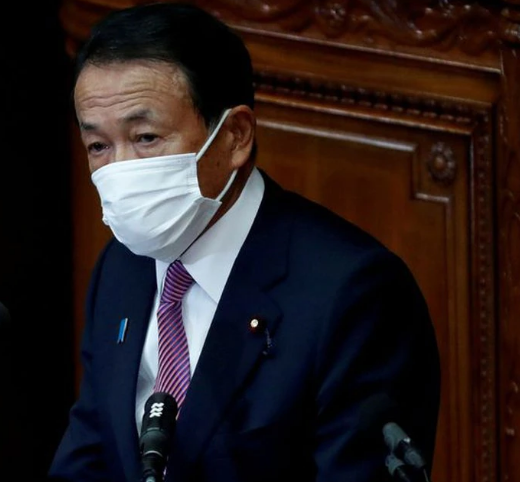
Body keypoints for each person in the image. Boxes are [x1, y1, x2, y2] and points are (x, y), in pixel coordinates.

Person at [48, 2, 441, 481]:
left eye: (146, 138)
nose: (121, 171)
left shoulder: (354, 293)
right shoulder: (122, 267)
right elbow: (89, 457)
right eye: (98, 146)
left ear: (235, 135)